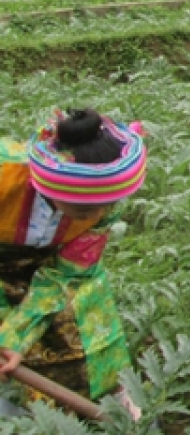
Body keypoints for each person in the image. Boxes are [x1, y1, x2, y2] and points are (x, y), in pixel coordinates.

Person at [0, 109, 147, 417]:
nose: (96, 216)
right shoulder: (5, 178)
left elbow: (66, 275)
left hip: (63, 274)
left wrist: (14, 337)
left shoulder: (104, 202)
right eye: (83, 210)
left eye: (104, 207)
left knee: (91, 341)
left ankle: (122, 424)